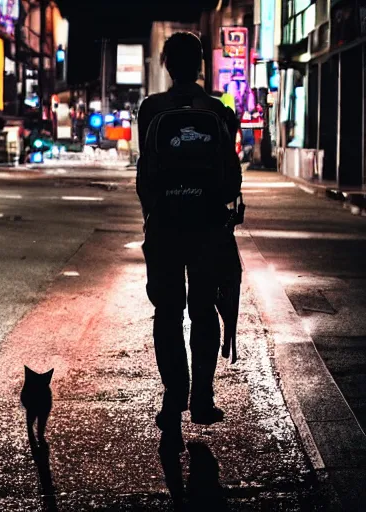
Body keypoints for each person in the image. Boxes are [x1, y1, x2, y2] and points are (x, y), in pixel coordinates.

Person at [136, 32, 242, 450]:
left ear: (165, 64)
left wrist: (154, 212)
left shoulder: (151, 110)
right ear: (201, 64)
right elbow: (231, 175)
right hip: (208, 227)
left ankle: (172, 397)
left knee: (167, 312)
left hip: (165, 225)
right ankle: (203, 398)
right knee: (203, 308)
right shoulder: (219, 111)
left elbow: (146, 171)